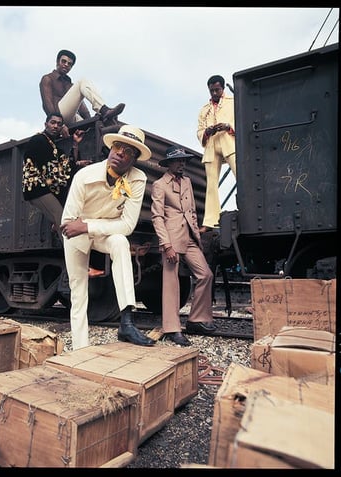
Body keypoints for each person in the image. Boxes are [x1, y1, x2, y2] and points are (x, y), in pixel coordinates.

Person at [59, 125, 156, 350]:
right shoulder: (84, 176)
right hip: (76, 236)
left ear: (134, 159)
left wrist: (87, 225)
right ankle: (81, 350)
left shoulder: (137, 179)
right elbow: (68, 223)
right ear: (111, 148)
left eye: (128, 151)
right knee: (79, 292)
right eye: (118, 147)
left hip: (101, 230)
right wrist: (82, 227)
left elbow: (128, 225)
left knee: (121, 242)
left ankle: (127, 322)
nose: (120, 153)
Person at [150, 146, 218, 346]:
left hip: (189, 238)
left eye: (184, 161)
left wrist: (196, 231)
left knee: (205, 274)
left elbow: (192, 211)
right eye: (178, 160)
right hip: (171, 239)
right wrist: (166, 245)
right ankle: (172, 329)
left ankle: (196, 319)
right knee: (171, 284)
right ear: (169, 163)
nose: (182, 164)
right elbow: (157, 217)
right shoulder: (160, 185)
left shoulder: (187, 181)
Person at [22, 112, 90, 232]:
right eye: (52, 123)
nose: (55, 126)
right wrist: (75, 164)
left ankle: (69, 247)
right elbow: (53, 168)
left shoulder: (52, 145)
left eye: (59, 124)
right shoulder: (39, 140)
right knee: (61, 219)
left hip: (45, 188)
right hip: (37, 188)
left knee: (62, 219)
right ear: (46, 124)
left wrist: (75, 144)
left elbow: (64, 164)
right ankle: (70, 250)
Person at [40, 49, 126, 131]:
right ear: (57, 61)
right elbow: (47, 105)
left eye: (69, 64)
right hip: (58, 118)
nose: (66, 64)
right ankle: (104, 110)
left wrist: (91, 120)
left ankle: (105, 116)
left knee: (96, 122)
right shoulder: (48, 78)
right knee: (82, 81)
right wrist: (60, 125)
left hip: (72, 118)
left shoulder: (70, 85)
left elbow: (82, 108)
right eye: (63, 61)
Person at [196, 74, 237, 232]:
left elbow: (242, 120)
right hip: (211, 146)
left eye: (217, 90)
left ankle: (247, 210)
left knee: (242, 178)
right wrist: (206, 132)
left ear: (223, 88)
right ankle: (210, 221)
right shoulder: (204, 110)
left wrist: (228, 126)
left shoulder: (233, 103)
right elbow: (199, 131)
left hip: (229, 143)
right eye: (211, 90)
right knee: (211, 185)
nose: (214, 93)